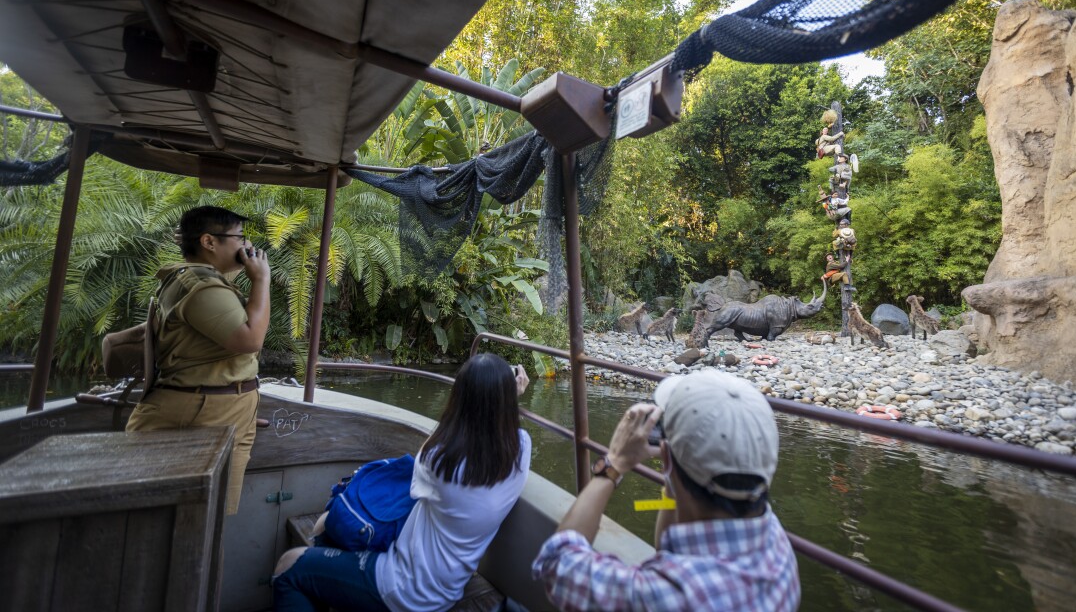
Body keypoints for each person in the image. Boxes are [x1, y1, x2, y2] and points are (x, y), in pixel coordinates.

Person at [272, 353, 532, 612]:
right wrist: (508, 399)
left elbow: (421, 476)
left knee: (288, 567)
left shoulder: (439, 460)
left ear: (460, 397)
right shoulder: (521, 448)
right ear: (507, 401)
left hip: (402, 587)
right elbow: (503, 428)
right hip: (449, 587)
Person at [532, 370, 800, 612]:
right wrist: (673, 476)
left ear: (667, 459)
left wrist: (614, 464)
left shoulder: (661, 595)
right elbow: (667, 548)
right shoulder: (776, 544)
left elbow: (557, 564)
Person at [126, 205, 270, 515]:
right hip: (204, 411)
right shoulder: (201, 286)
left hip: (219, 410)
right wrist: (261, 281)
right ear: (209, 242)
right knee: (201, 517)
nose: (247, 246)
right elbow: (250, 340)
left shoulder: (204, 281)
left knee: (212, 518)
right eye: (239, 238)